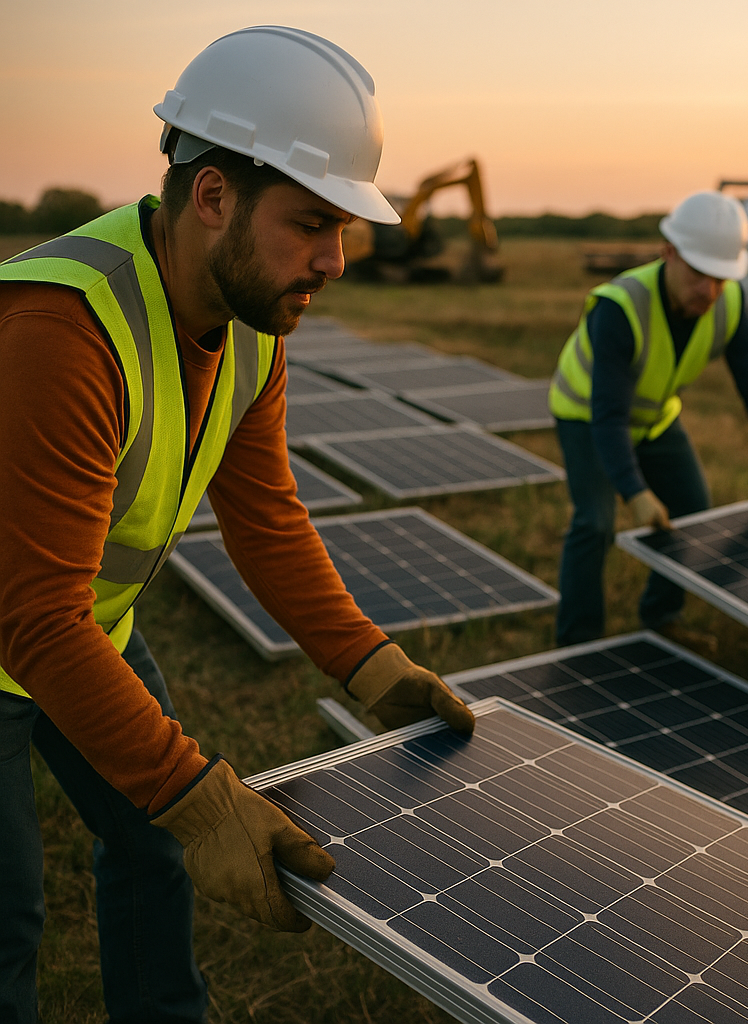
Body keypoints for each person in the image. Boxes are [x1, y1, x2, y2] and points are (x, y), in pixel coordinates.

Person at [0, 26, 474, 1024]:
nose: (334, 260)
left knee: (147, 846)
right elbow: (35, 617)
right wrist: (201, 794)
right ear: (213, 195)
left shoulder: (249, 326)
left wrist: (366, 661)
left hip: (88, 634)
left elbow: (265, 519)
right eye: (311, 223)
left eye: (343, 228)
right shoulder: (61, 332)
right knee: (10, 916)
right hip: (23, 632)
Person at [549, 190, 748, 648]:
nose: (710, 291)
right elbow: (609, 415)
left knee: (692, 509)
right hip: (585, 416)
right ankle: (578, 644)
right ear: (669, 253)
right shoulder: (621, 307)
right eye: (700, 275)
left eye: (721, 278)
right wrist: (634, 491)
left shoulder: (729, 304)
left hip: (655, 420)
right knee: (595, 522)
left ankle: (661, 618)